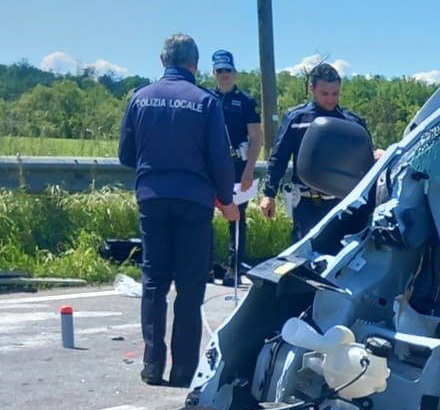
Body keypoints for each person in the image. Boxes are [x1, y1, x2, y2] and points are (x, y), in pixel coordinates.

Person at [118, 33, 240, 386]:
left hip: (152, 196)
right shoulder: (206, 102)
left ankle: (152, 364)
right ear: (196, 64)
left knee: (154, 281)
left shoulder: (140, 97)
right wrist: (227, 202)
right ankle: (183, 367)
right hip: (194, 200)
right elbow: (220, 160)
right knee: (190, 283)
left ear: (163, 60)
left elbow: (126, 154)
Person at [259, 62, 374, 240]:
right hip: (308, 204)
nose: (330, 99)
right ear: (312, 89)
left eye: (335, 93)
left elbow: (365, 163)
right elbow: (279, 157)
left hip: (344, 204)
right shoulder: (297, 119)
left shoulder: (352, 123)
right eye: (324, 94)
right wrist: (269, 194)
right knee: (306, 254)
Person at [208, 49, 261, 278]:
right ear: (214, 73)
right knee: (204, 216)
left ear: (235, 72)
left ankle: (234, 267)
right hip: (210, 167)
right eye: (220, 70)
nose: (224, 75)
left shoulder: (246, 101)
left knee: (237, 217)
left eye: (228, 70)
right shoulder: (206, 98)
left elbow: (256, 138)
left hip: (237, 166)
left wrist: (249, 171)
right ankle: (206, 265)